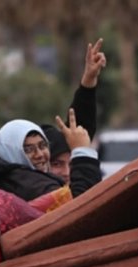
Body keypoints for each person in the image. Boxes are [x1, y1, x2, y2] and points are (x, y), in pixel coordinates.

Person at [0, 108, 97, 201]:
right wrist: (82, 151)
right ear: (11, 153)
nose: (40, 154)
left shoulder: (8, 175)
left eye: (42, 145)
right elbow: (80, 205)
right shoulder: (30, 185)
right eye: (29, 149)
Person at [44, 38, 107, 184]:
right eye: (56, 164)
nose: (67, 173)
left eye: (73, 164)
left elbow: (80, 130)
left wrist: (89, 80)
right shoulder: (36, 193)